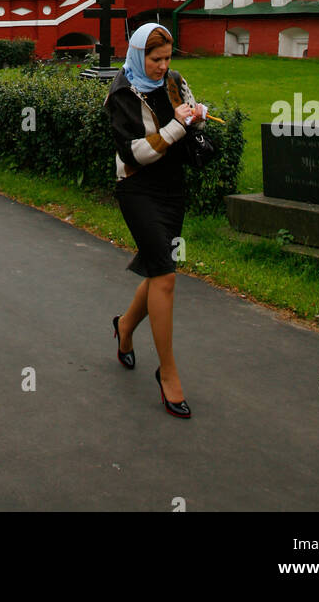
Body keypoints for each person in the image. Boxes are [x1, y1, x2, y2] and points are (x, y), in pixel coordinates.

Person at [104, 22, 208, 419]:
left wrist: (197, 115)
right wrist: (178, 125)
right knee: (165, 274)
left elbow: (190, 115)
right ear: (137, 55)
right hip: (137, 189)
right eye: (155, 59)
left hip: (172, 188)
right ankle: (168, 373)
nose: (163, 66)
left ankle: (125, 327)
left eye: (167, 58)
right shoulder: (121, 95)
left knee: (156, 269)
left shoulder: (175, 79)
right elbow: (135, 154)